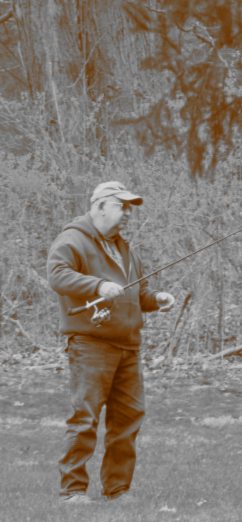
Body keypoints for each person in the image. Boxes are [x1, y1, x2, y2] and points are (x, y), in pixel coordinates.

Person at [46, 181, 175, 504]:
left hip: (129, 346)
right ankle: (73, 490)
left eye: (130, 208)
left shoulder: (125, 248)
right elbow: (57, 275)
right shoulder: (72, 240)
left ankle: (117, 489)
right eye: (122, 206)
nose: (128, 213)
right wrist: (98, 285)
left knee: (128, 420)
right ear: (101, 206)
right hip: (91, 344)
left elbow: (136, 292)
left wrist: (156, 299)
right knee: (85, 417)